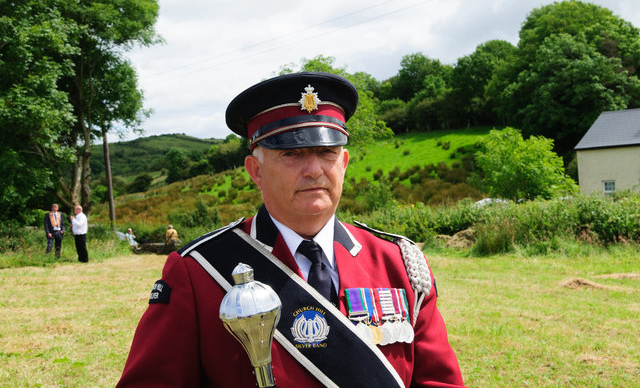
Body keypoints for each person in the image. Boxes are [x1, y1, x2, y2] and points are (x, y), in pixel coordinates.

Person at [117, 73, 465, 388]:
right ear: (256, 171)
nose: (314, 170)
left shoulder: (399, 264)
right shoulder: (199, 273)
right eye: (292, 153)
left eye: (327, 152)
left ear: (343, 164)